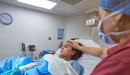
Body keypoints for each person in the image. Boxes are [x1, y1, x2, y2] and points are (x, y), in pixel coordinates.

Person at [68, 0, 130, 75]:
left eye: (100, 17)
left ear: (118, 16)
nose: (99, 23)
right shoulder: (123, 48)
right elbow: (102, 52)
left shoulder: (120, 61)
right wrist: (78, 47)